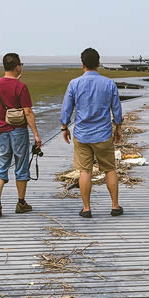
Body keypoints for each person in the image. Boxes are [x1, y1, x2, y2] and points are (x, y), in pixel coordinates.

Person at [61, 47, 123, 218]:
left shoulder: (74, 83)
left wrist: (64, 127)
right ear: (98, 63)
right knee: (110, 169)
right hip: (103, 134)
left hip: (82, 134)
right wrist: (118, 128)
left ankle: (87, 208)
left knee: (85, 171)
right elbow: (116, 109)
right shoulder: (109, 83)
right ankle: (115, 206)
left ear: (83, 65)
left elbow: (66, 109)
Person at [0, 52, 42, 218]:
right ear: (17, 66)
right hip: (18, 131)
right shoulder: (21, 86)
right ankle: (21, 202)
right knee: (21, 165)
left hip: (0, 131)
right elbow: (27, 112)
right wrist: (36, 135)